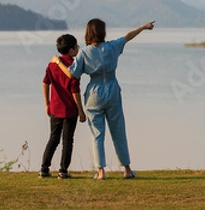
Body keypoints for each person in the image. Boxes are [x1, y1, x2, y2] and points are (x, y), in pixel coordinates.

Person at [51, 18, 155, 180]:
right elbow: (128, 36)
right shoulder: (112, 46)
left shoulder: (84, 52)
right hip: (113, 91)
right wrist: (143, 27)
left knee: (97, 134)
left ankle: (101, 172)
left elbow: (72, 74)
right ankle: (127, 170)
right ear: (103, 32)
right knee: (118, 132)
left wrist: (58, 62)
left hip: (94, 94)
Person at [40, 34, 86, 179]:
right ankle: (63, 170)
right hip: (70, 110)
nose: (78, 48)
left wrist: (47, 103)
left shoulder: (52, 64)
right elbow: (75, 91)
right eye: (77, 46)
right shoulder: (74, 66)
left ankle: (44, 169)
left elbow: (45, 83)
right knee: (67, 140)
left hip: (54, 108)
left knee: (53, 138)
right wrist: (81, 110)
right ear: (72, 50)